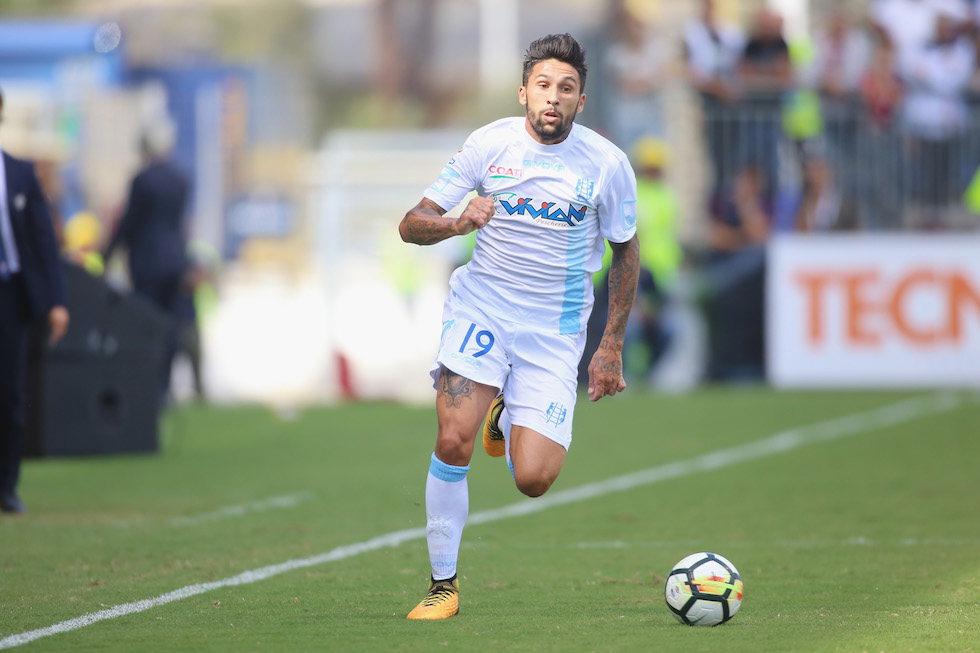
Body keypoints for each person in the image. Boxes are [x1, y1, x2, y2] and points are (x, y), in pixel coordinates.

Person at [397, 33, 640, 619]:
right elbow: (411, 224)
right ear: (524, 92)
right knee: (453, 436)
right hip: (481, 309)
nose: (553, 97)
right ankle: (443, 585)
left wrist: (610, 345)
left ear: (581, 100)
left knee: (533, 479)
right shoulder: (489, 144)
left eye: (567, 88)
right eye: (543, 85)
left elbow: (626, 252)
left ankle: (504, 412)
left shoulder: (607, 164)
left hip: (553, 331)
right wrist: (457, 224)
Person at [0, 85, 70, 514]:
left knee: (10, 392)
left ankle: (7, 486)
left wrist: (56, 301)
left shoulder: (21, 174)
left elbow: (44, 242)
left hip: (11, 295)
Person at [102, 117, 190, 407]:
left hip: (148, 263)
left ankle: (148, 385)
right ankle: (164, 386)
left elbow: (130, 222)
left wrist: (108, 254)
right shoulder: (180, 179)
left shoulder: (143, 180)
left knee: (146, 324)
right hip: (175, 262)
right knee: (171, 326)